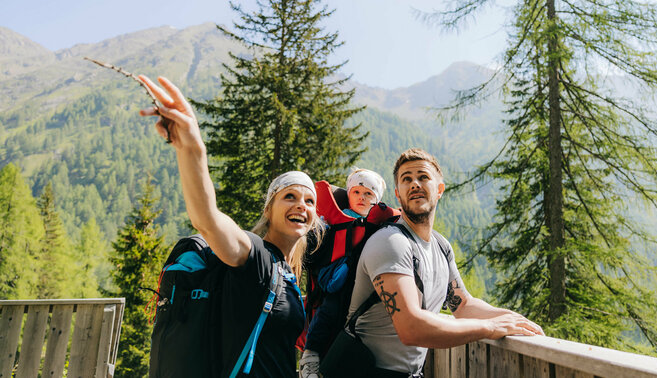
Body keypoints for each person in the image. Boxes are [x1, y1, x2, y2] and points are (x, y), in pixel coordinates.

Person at [138, 75, 323, 377]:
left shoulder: (286, 273)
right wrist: (192, 148)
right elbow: (207, 219)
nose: (301, 205)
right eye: (289, 196)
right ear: (269, 209)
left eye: (309, 201)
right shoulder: (257, 258)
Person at [344, 148, 544, 377]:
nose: (415, 184)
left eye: (423, 177)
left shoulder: (441, 246)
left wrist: (512, 319)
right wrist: (490, 328)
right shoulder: (390, 242)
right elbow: (411, 327)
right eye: (406, 179)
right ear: (398, 195)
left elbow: (463, 305)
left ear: (439, 190)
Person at [300, 168, 387, 378]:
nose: (361, 198)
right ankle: (310, 356)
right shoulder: (338, 218)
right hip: (336, 282)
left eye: (368, 194)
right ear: (349, 193)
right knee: (329, 311)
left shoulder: (381, 224)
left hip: (363, 285)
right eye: (356, 192)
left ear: (376, 200)